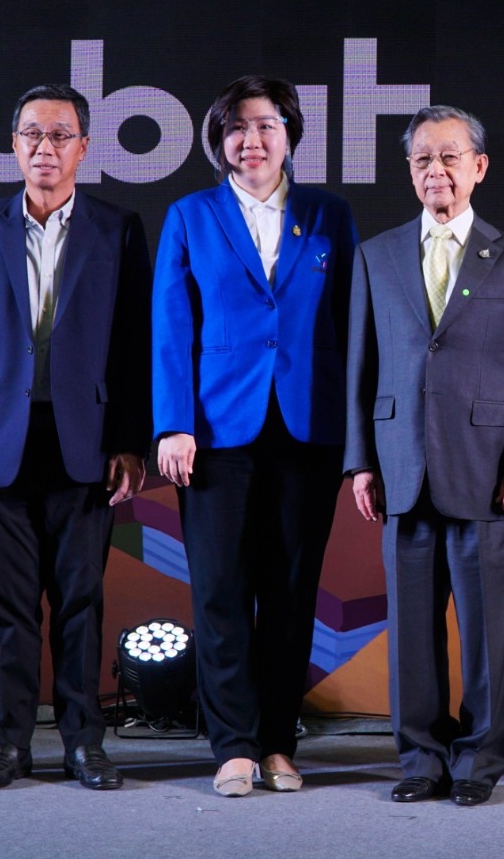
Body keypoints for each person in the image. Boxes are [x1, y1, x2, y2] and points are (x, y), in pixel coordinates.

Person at [0, 83, 151, 790]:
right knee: (11, 609)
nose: (44, 148)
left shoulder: (118, 228)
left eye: (60, 136)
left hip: (86, 446)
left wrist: (130, 442)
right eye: (32, 134)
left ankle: (84, 744)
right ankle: (10, 743)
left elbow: (136, 343)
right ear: (13, 145)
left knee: (81, 606)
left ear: (83, 148)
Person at [153, 76, 357, 797]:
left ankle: (277, 742)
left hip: (309, 427)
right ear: (219, 142)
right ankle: (233, 745)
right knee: (220, 590)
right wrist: (173, 423)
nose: (252, 140)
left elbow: (349, 326)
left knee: (291, 591)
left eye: (266, 125)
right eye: (236, 128)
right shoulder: (190, 215)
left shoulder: (329, 214)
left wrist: (356, 434)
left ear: (290, 135)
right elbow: (171, 326)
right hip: (215, 431)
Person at [345, 105, 504, 807]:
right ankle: (420, 760)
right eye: (422, 159)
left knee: (488, 631)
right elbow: (360, 368)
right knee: (410, 631)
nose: (435, 170)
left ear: (478, 167)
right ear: (409, 172)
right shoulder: (375, 256)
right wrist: (360, 462)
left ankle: (479, 761)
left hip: (489, 473)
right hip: (400, 467)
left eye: (449, 157)